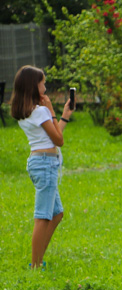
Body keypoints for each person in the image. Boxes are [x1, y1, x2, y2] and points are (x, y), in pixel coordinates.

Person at [10, 65, 74, 270]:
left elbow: (53, 136)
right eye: (43, 82)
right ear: (33, 86)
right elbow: (59, 140)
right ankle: (35, 266)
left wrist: (63, 116)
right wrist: (52, 111)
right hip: (45, 164)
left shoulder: (29, 112)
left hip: (41, 161)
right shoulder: (40, 112)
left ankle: (38, 259)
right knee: (43, 216)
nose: (45, 86)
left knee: (56, 214)